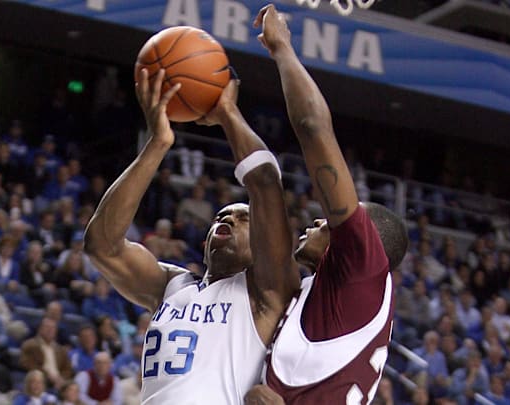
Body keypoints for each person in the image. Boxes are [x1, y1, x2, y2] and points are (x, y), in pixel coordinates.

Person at [84, 64, 297, 402]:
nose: (227, 219)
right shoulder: (172, 285)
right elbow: (102, 246)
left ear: (262, 243)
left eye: (244, 219)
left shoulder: (267, 289)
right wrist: (158, 143)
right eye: (220, 217)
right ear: (205, 240)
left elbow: (266, 184)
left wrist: (227, 113)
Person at [245, 5, 408, 404]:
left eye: (331, 225)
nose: (321, 220)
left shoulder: (362, 264)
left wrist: (282, 48)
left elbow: (313, 127)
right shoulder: (333, 297)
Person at [20, 317, 74, 389]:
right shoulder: (30, 345)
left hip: (60, 383)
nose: (50, 330)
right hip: (40, 381)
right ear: (40, 329)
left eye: (53, 328)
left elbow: (68, 368)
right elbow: (28, 364)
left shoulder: (61, 349)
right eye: (47, 327)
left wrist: (61, 379)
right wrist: (48, 376)